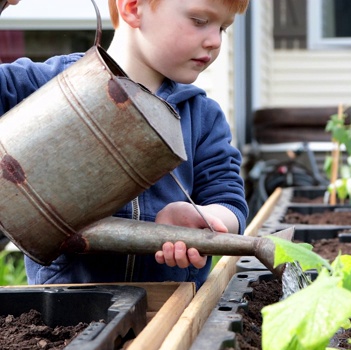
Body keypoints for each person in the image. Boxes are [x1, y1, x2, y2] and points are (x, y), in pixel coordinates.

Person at [0, 0, 250, 289]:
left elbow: (230, 203)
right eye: (199, 20)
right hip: (68, 315)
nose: (215, 40)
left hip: (172, 310)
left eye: (223, 28)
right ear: (132, 8)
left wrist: (205, 218)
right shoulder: (46, 85)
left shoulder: (201, 116)